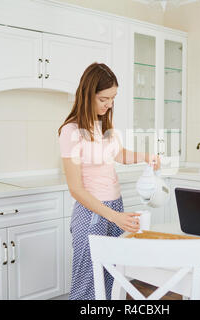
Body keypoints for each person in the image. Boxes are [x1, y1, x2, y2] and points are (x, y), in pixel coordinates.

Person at [58, 62, 160, 300]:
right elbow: (75, 189)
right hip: (92, 210)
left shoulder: (104, 125)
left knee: (114, 277)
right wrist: (114, 217)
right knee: (88, 281)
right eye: (104, 99)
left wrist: (147, 157)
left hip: (116, 205)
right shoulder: (70, 131)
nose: (109, 104)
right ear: (88, 94)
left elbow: (119, 154)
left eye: (113, 98)